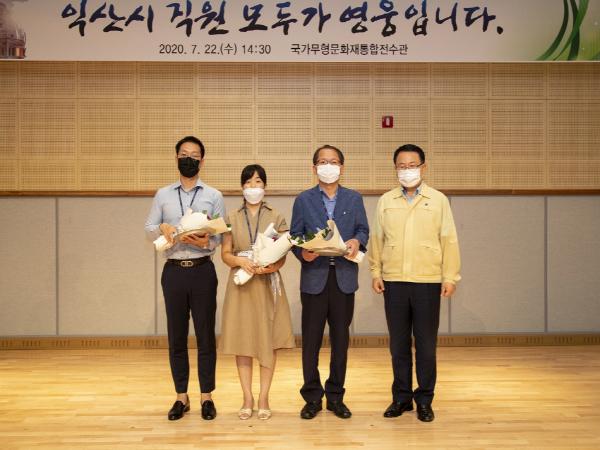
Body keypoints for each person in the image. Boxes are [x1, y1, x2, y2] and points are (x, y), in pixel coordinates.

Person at [369, 144, 461, 423]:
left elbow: (449, 240)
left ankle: (424, 400)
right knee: (398, 345)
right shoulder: (386, 200)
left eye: (412, 166)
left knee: (426, 346)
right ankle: (401, 398)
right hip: (394, 281)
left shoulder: (438, 200)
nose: (407, 171)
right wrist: (376, 271)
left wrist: (450, 276)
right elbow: (377, 239)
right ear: (395, 169)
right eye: (402, 166)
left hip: (427, 281)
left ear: (423, 167)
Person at [144, 136, 225, 421]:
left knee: (205, 336)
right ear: (176, 158)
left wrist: (207, 242)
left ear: (202, 161)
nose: (188, 159)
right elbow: (149, 226)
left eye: (194, 155)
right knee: (176, 336)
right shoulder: (163, 194)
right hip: (174, 271)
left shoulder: (213, 195)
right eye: (183, 154)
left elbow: (220, 233)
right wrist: (163, 228)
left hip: (203, 270)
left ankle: (206, 396)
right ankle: (181, 396)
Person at [290, 145, 369, 420]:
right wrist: (303, 253)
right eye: (323, 162)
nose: (328, 166)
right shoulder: (303, 199)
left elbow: (363, 230)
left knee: (340, 341)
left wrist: (357, 240)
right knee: (311, 342)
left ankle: (336, 396)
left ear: (342, 167)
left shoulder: (354, 198)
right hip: (314, 278)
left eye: (333, 162)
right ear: (314, 168)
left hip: (344, 278)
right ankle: (312, 397)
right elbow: (295, 236)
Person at [220, 164, 295, 421]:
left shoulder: (277, 215)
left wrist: (272, 266)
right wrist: (240, 262)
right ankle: (247, 398)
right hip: (241, 283)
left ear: (265, 186)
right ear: (242, 187)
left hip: (266, 282)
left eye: (258, 182)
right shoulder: (231, 216)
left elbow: (283, 252)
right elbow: (225, 254)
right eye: (249, 182)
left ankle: (264, 398)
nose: (253, 187)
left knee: (267, 340)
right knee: (242, 341)